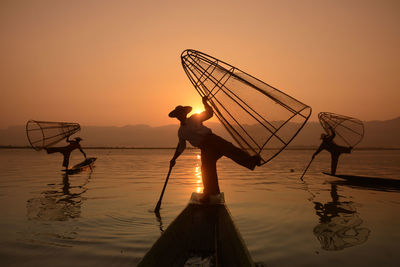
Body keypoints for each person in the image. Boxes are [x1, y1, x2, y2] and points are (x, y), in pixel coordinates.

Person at [169, 96, 261, 202]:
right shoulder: (181, 132)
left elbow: (209, 113)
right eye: (178, 114)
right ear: (177, 117)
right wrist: (174, 158)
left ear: (185, 113)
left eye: (181, 113)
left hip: (212, 140)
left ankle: (253, 161)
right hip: (205, 148)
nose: (180, 115)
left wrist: (205, 103)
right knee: (206, 169)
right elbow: (181, 146)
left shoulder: (194, 118)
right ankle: (209, 194)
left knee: (231, 149)